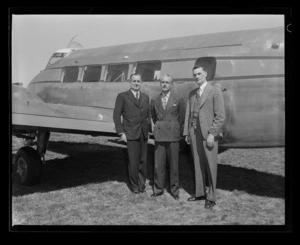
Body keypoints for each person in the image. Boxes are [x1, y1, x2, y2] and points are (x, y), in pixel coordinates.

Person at [183, 63, 225, 209]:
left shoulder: (215, 91)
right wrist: (187, 132)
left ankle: (212, 197)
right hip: (194, 133)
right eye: (194, 75)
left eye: (199, 74)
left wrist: (212, 134)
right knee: (197, 162)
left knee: (211, 165)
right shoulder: (192, 93)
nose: (196, 77)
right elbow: (188, 114)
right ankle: (200, 193)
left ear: (205, 74)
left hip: (208, 134)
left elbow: (220, 116)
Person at [113, 73, 151, 194]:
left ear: (141, 83)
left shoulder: (145, 97)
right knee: (133, 161)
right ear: (130, 82)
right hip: (130, 133)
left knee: (143, 161)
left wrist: (149, 130)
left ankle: (142, 184)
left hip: (143, 134)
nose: (136, 83)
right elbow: (116, 115)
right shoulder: (123, 96)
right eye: (134, 81)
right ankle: (134, 185)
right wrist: (121, 132)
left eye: (138, 81)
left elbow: (147, 115)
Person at [150, 74, 186, 200]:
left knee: (173, 165)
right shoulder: (154, 99)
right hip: (160, 135)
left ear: (172, 84)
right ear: (160, 84)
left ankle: (174, 190)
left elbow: (182, 117)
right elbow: (153, 116)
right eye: (162, 82)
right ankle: (158, 188)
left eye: (167, 82)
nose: (164, 84)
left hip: (173, 135)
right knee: (158, 165)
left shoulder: (179, 98)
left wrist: (176, 127)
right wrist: (159, 126)